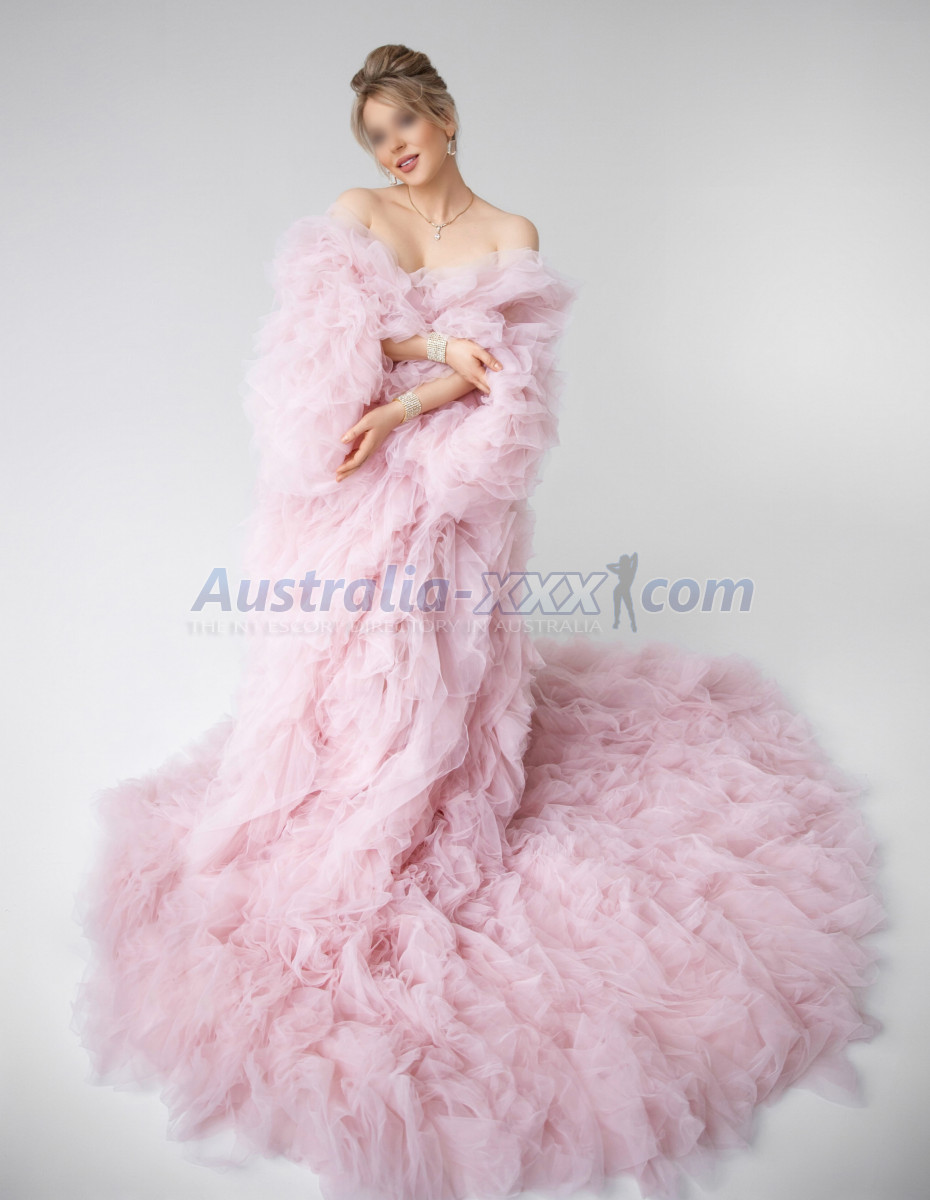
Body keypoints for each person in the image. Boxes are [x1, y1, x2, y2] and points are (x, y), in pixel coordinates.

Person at [72, 43, 886, 1200]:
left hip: (453, 475)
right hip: (350, 470)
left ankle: (423, 783)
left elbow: (510, 372)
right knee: (349, 652)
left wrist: (423, 388)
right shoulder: (358, 213)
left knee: (434, 646)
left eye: (404, 125)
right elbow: (325, 343)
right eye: (375, 136)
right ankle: (346, 782)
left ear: (444, 117)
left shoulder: (510, 233)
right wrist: (427, 361)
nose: (393, 151)